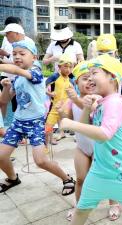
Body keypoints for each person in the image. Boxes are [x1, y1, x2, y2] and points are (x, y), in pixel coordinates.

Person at [59, 54, 122, 225]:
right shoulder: (102, 102)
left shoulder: (115, 103)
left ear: (112, 77)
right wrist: (87, 108)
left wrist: (70, 124)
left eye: (94, 73)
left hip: (121, 173)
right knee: (82, 209)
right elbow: (86, 128)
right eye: (88, 75)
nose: (90, 78)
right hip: (98, 171)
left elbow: (104, 134)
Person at [0, 40, 75, 195]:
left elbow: (18, 71)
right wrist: (7, 87)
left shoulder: (35, 73)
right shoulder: (17, 79)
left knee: (40, 161)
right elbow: (4, 100)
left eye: (22, 53)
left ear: (33, 57)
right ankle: (13, 178)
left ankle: (67, 179)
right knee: (1, 156)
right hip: (18, 122)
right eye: (14, 54)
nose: (17, 57)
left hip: (35, 123)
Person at [59, 61, 120, 221]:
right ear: (76, 83)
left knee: (107, 178)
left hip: (100, 148)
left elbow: (92, 113)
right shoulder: (72, 101)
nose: (89, 81)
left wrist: (77, 101)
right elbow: (71, 123)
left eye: (91, 78)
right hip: (82, 147)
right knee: (80, 179)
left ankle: (113, 203)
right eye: (84, 78)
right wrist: (61, 114)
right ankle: (79, 206)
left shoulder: (98, 99)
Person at [45, 53, 76, 145]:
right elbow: (45, 88)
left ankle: (64, 134)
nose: (68, 69)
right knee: (49, 125)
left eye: (70, 67)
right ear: (59, 66)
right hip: (54, 106)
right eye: (65, 67)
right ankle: (47, 142)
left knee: (70, 121)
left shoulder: (70, 79)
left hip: (64, 107)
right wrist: (50, 93)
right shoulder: (55, 76)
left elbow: (72, 92)